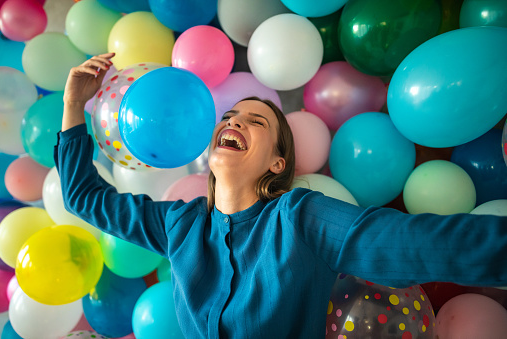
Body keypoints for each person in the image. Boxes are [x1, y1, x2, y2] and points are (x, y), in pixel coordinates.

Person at [56, 53, 507, 338]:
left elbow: (420, 243)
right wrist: (74, 105)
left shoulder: (299, 218)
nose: (232, 121)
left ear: (277, 162)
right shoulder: (181, 225)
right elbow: (83, 197)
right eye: (230, 115)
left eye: (255, 121)